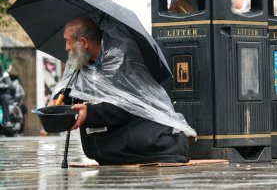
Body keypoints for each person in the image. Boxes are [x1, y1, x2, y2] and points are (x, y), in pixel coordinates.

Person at [50, 16, 195, 165]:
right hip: (100, 130)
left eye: (68, 41)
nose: (66, 47)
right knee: (96, 148)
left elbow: (129, 104)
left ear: (83, 42)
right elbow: (69, 88)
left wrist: (89, 111)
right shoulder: (78, 62)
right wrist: (58, 101)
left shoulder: (122, 59)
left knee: (146, 140)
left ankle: (174, 144)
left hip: (129, 120)